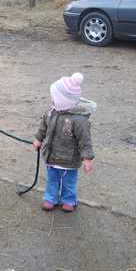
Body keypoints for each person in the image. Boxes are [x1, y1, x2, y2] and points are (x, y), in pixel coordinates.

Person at [33, 72, 96, 212]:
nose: (52, 99)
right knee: (52, 180)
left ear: (64, 100)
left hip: (69, 159)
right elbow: (43, 126)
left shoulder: (79, 120)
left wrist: (87, 158)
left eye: (55, 97)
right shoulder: (51, 111)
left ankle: (68, 200)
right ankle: (51, 198)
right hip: (52, 156)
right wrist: (38, 138)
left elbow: (85, 140)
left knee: (69, 182)